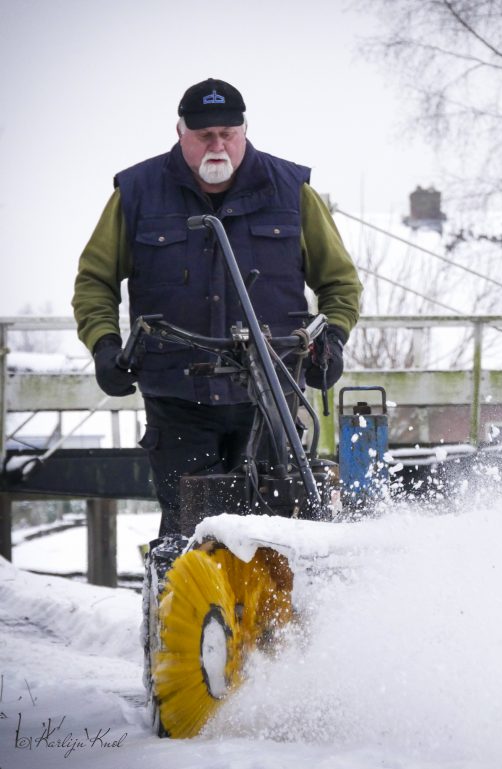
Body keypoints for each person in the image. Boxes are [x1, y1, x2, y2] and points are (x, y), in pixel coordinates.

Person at [72, 78, 362, 537]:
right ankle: (183, 607)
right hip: (178, 398)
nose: (217, 144)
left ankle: (276, 611)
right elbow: (95, 281)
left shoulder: (292, 191)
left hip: (274, 394)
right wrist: (104, 347)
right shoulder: (137, 193)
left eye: (228, 133)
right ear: (180, 132)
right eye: (204, 135)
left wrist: (333, 338)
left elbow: (340, 281)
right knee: (193, 533)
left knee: (281, 533)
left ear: (245, 130)